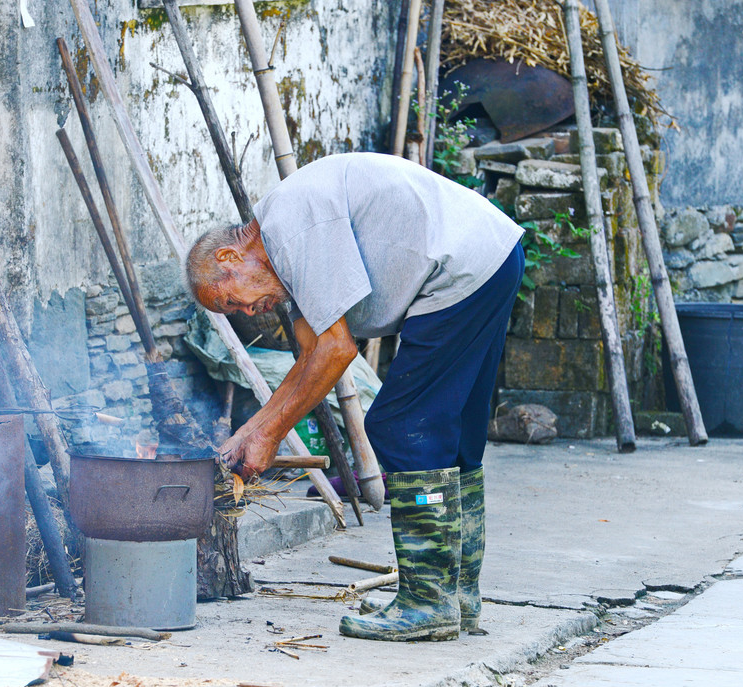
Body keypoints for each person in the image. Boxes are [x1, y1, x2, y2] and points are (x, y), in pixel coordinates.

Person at [185, 152, 524, 642]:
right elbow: (311, 354)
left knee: (402, 427)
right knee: (455, 438)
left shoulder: (290, 227)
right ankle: (456, 596)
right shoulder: (283, 250)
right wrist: (250, 431)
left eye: (230, 300)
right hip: (491, 255)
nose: (246, 312)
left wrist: (271, 436)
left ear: (229, 259)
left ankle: (427, 603)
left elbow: (337, 350)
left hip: (461, 269)